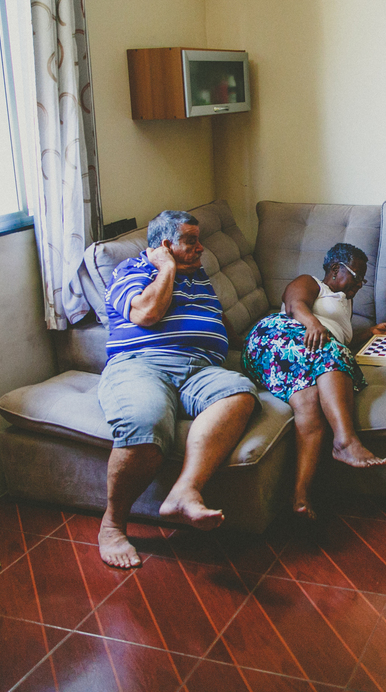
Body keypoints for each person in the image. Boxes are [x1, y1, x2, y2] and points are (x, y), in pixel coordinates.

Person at [96, 210, 260, 569]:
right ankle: (112, 525)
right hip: (141, 365)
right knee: (146, 421)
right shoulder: (131, 271)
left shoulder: (199, 278)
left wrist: (251, 346)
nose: (201, 249)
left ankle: (185, 491)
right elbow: (147, 315)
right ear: (165, 245)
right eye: (191, 241)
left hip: (200, 369)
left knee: (240, 393)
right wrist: (165, 268)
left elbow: (218, 322)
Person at [241, 243, 386, 519]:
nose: (360, 284)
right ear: (335, 269)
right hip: (278, 337)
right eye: (356, 277)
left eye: (363, 279)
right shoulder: (311, 283)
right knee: (335, 351)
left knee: (309, 403)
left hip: (302, 357)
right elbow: (294, 304)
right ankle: (345, 441)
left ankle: (300, 495)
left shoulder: (344, 304)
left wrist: (370, 332)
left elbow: (339, 334)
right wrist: (313, 323)